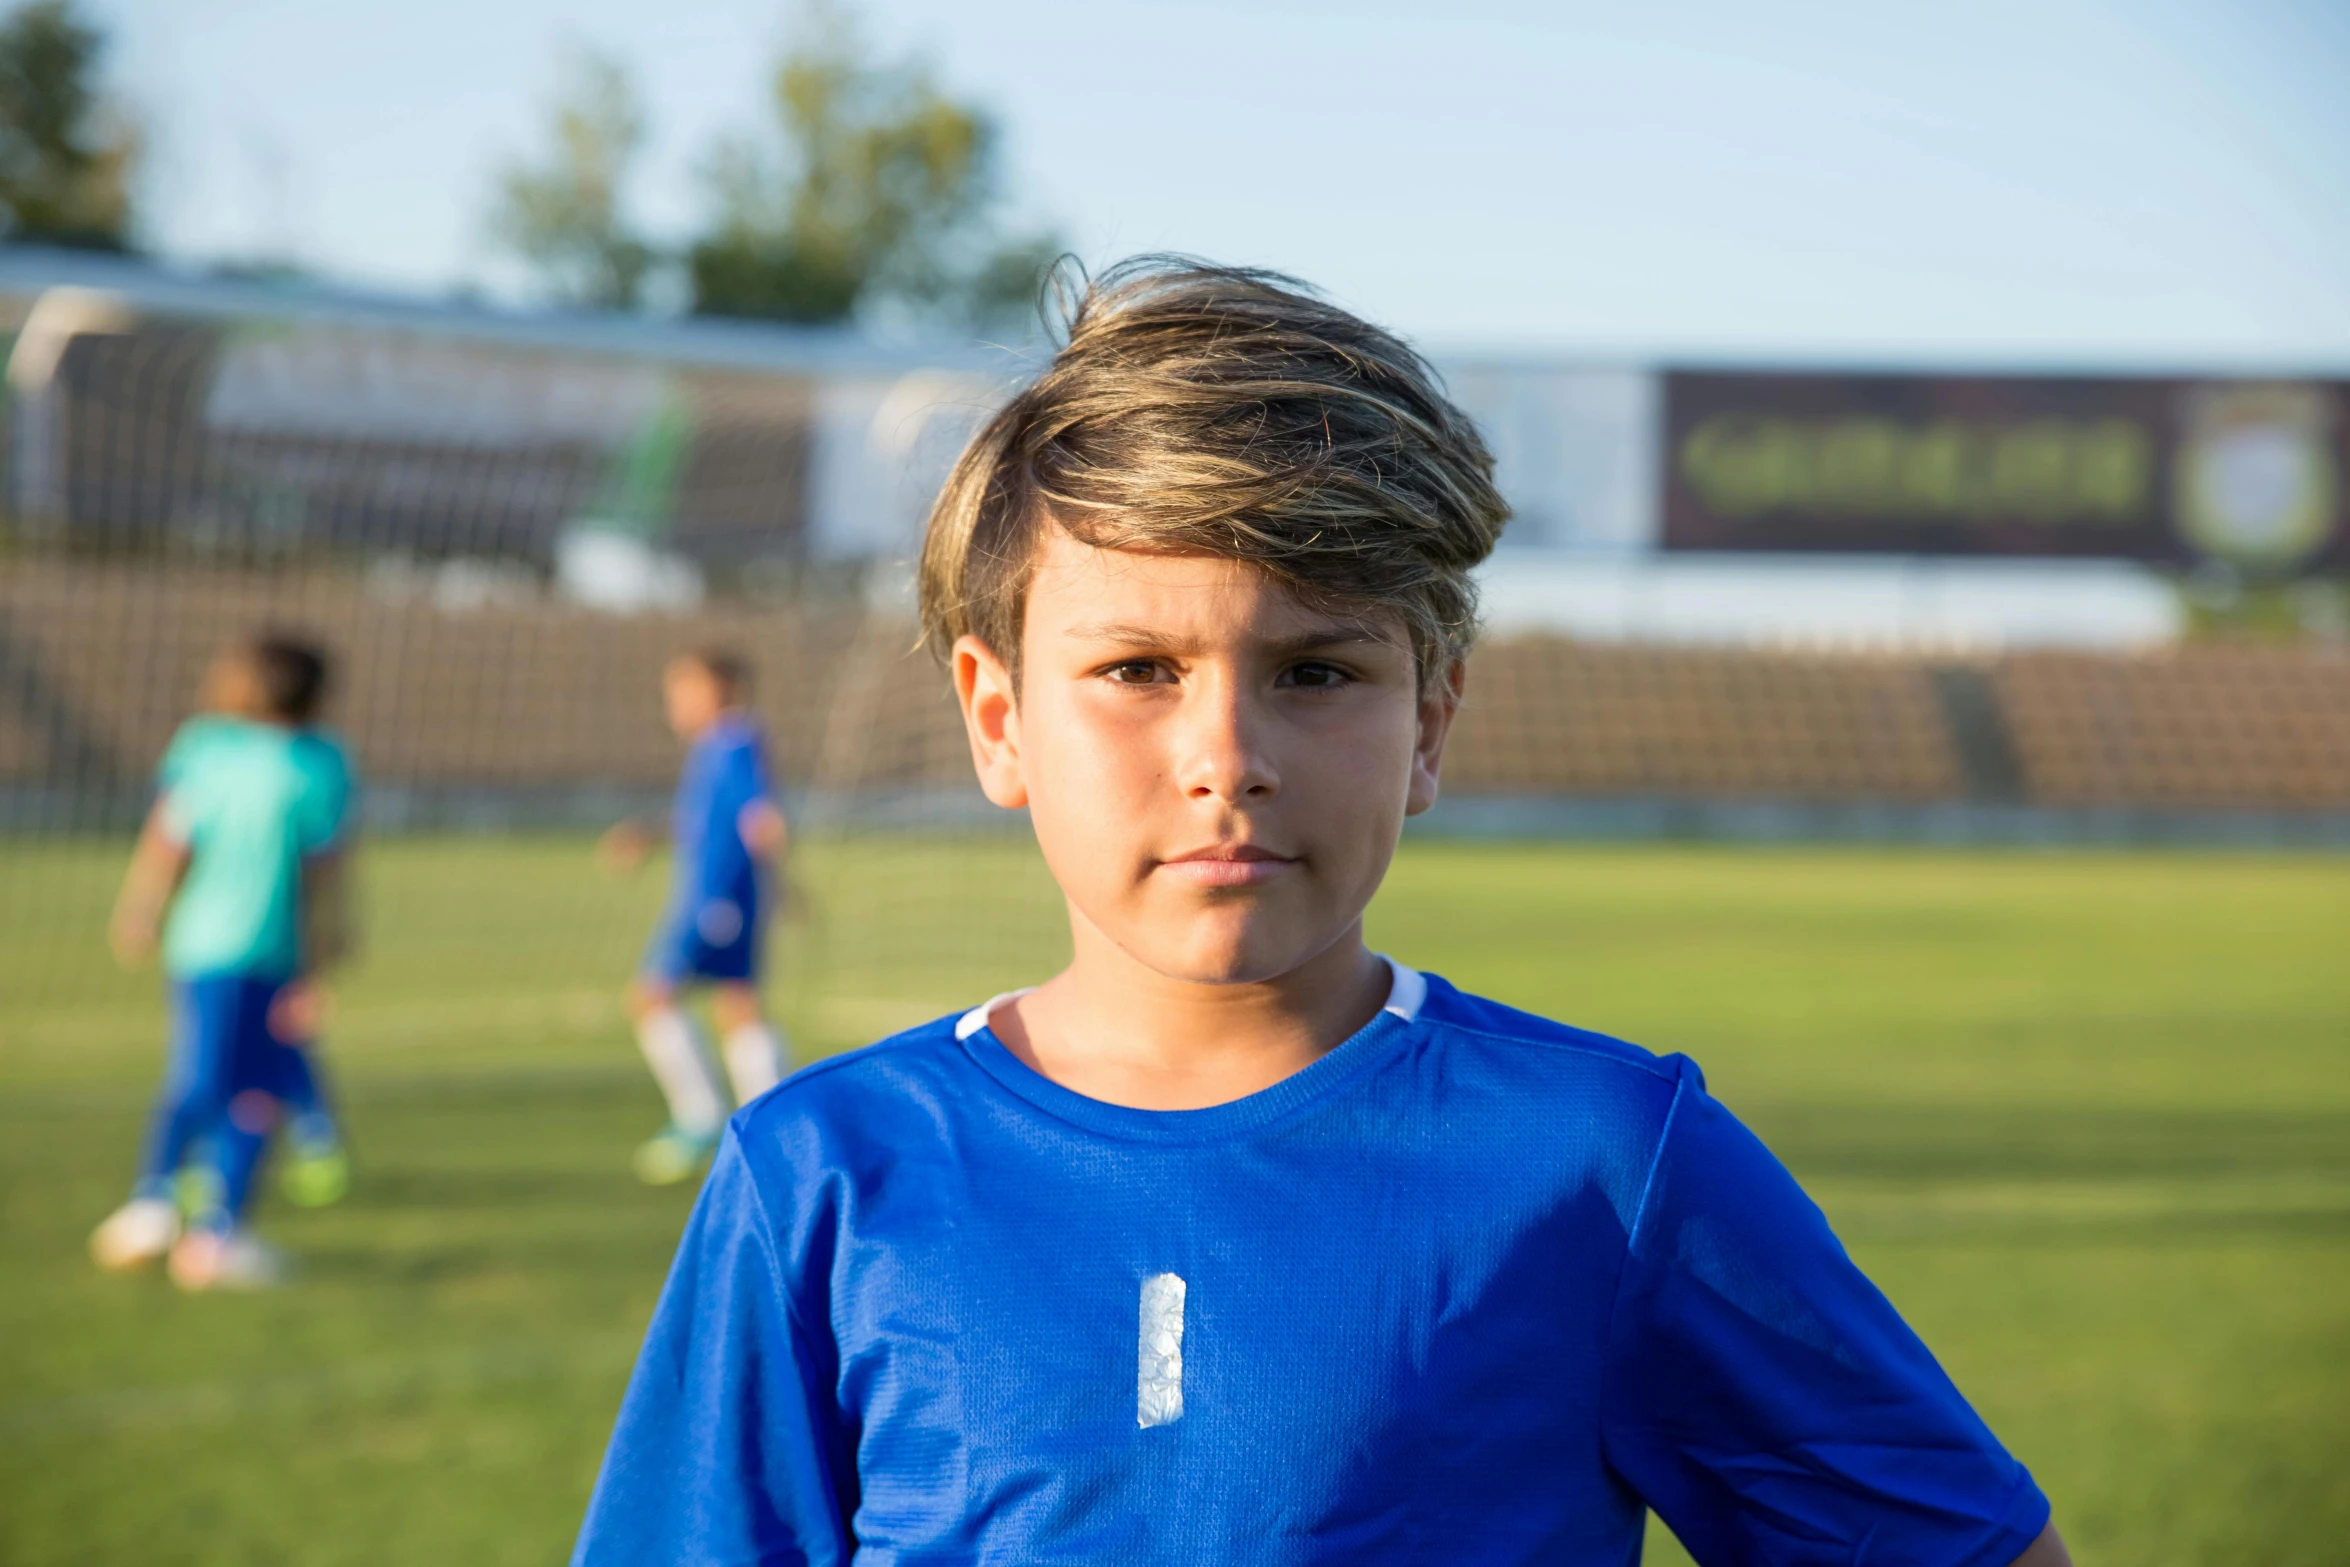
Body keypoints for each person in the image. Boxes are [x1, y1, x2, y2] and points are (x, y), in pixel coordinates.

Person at [572, 260, 2071, 1567]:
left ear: (1429, 718)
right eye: (1136, 670)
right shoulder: (822, 1173)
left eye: (1316, 670)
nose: (1226, 754)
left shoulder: (1598, 1158)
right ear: (995, 715)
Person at [90, 634, 357, 1291]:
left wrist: (141, 906)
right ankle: (207, 1230)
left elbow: (168, 839)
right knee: (252, 1090)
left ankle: (160, 1204)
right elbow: (323, 871)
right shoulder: (319, 764)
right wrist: (323, 955)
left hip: (200, 946)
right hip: (268, 952)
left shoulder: (204, 747)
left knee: (202, 1074)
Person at [599, 649, 790, 1186]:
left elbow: (760, 815)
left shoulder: (736, 740)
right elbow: (706, 823)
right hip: (725, 896)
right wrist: (650, 835)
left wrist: (782, 877)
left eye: (685, 690)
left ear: (722, 690)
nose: (674, 703)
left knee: (653, 995)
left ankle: (701, 1117)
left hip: (717, 899)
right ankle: (772, 1124)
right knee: (739, 1003)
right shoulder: (714, 748)